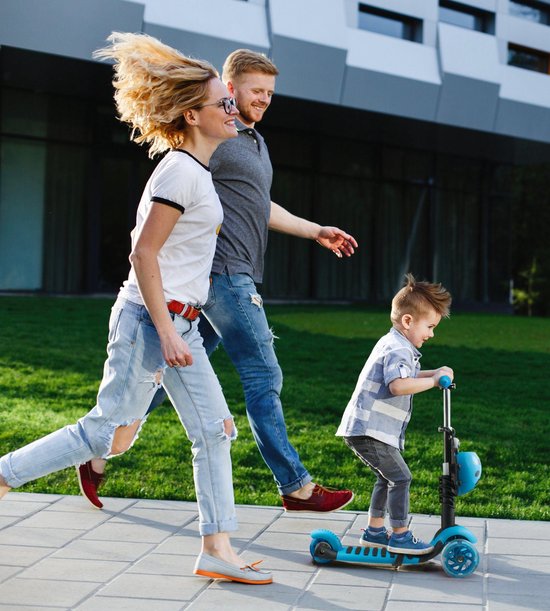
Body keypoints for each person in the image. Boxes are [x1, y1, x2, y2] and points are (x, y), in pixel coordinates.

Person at [0, 32, 272, 585]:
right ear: (194, 116)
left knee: (212, 430)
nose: (233, 109)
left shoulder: (199, 172)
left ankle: (216, 548)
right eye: (223, 102)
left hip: (181, 323)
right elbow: (142, 251)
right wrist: (169, 332)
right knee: (106, 434)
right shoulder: (179, 172)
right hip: (154, 321)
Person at [77, 49, 357, 514]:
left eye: (270, 93)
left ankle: (97, 449)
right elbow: (185, 188)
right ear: (230, 90)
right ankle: (296, 486)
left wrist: (315, 230)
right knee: (263, 372)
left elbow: (257, 205)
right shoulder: (219, 136)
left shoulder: (252, 142)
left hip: (224, 277)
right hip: (224, 274)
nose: (264, 100)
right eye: (255, 91)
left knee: (168, 373)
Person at [336, 273, 453, 554]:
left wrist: (434, 373)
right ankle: (400, 534)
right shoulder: (398, 348)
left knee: (385, 477)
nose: (432, 333)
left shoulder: (398, 345)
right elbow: (399, 385)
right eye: (430, 326)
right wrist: (434, 381)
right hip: (368, 429)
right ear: (408, 321)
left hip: (369, 428)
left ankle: (375, 531)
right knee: (401, 478)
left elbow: (409, 376)